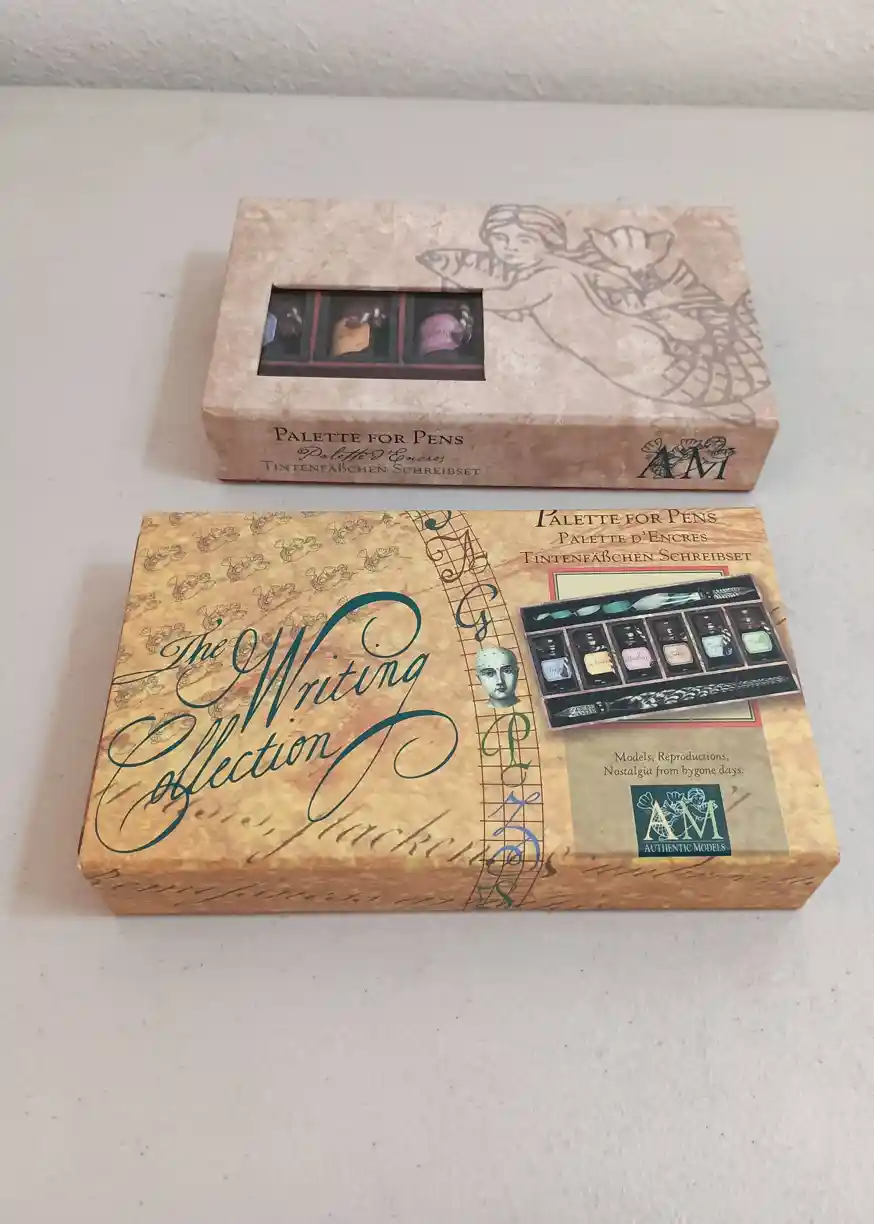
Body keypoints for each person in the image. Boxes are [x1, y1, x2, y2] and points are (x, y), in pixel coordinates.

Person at [417, 204, 769, 419]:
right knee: (704, 385)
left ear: (547, 241)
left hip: (641, 360)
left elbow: (506, 300)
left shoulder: (548, 277)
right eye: (500, 239)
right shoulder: (566, 268)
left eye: (523, 240)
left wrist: (452, 291)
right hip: (640, 355)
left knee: (696, 384)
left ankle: (721, 400)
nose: (509, 249)